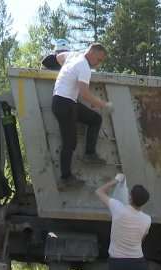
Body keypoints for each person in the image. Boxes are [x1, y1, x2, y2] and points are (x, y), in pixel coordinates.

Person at [52, 43, 112, 189]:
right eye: (98, 60)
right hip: (65, 104)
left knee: (95, 119)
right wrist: (103, 104)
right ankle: (66, 178)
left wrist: (66, 74)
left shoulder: (73, 55)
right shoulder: (84, 67)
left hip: (66, 101)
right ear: (91, 52)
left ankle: (89, 154)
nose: (98, 64)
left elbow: (59, 57)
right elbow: (85, 94)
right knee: (70, 142)